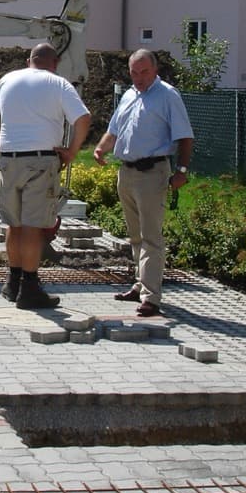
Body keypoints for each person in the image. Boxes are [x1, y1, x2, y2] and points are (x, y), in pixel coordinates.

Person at [0, 43, 91, 309]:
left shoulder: (8, 79)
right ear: (55, 62)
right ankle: (29, 288)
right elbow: (83, 118)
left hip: (9, 161)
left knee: (13, 225)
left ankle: (13, 282)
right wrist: (71, 152)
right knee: (32, 227)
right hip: (41, 162)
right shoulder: (59, 84)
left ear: (29, 60)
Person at [93, 49, 194, 317]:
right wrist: (101, 149)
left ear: (155, 70)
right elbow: (113, 130)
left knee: (151, 237)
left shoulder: (168, 95)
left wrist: (182, 171)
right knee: (135, 236)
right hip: (127, 172)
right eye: (134, 72)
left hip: (152, 172)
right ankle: (140, 285)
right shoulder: (129, 95)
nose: (138, 78)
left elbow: (185, 136)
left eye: (144, 72)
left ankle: (151, 297)